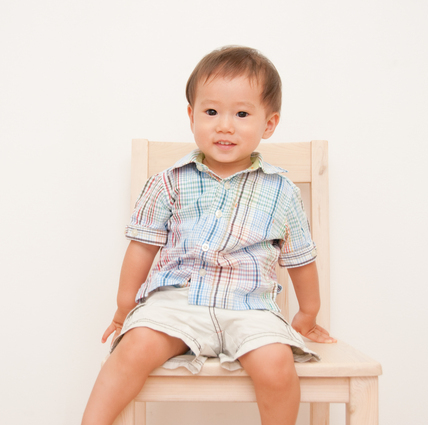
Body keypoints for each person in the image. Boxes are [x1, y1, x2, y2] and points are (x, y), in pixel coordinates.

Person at [81, 45, 336, 425]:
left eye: (242, 114)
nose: (224, 126)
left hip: (250, 307)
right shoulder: (168, 181)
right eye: (211, 112)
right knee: (132, 350)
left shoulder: (282, 191)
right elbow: (142, 247)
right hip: (178, 301)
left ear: (269, 124)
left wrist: (308, 313)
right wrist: (124, 308)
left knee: (277, 366)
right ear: (192, 116)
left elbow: (300, 258)